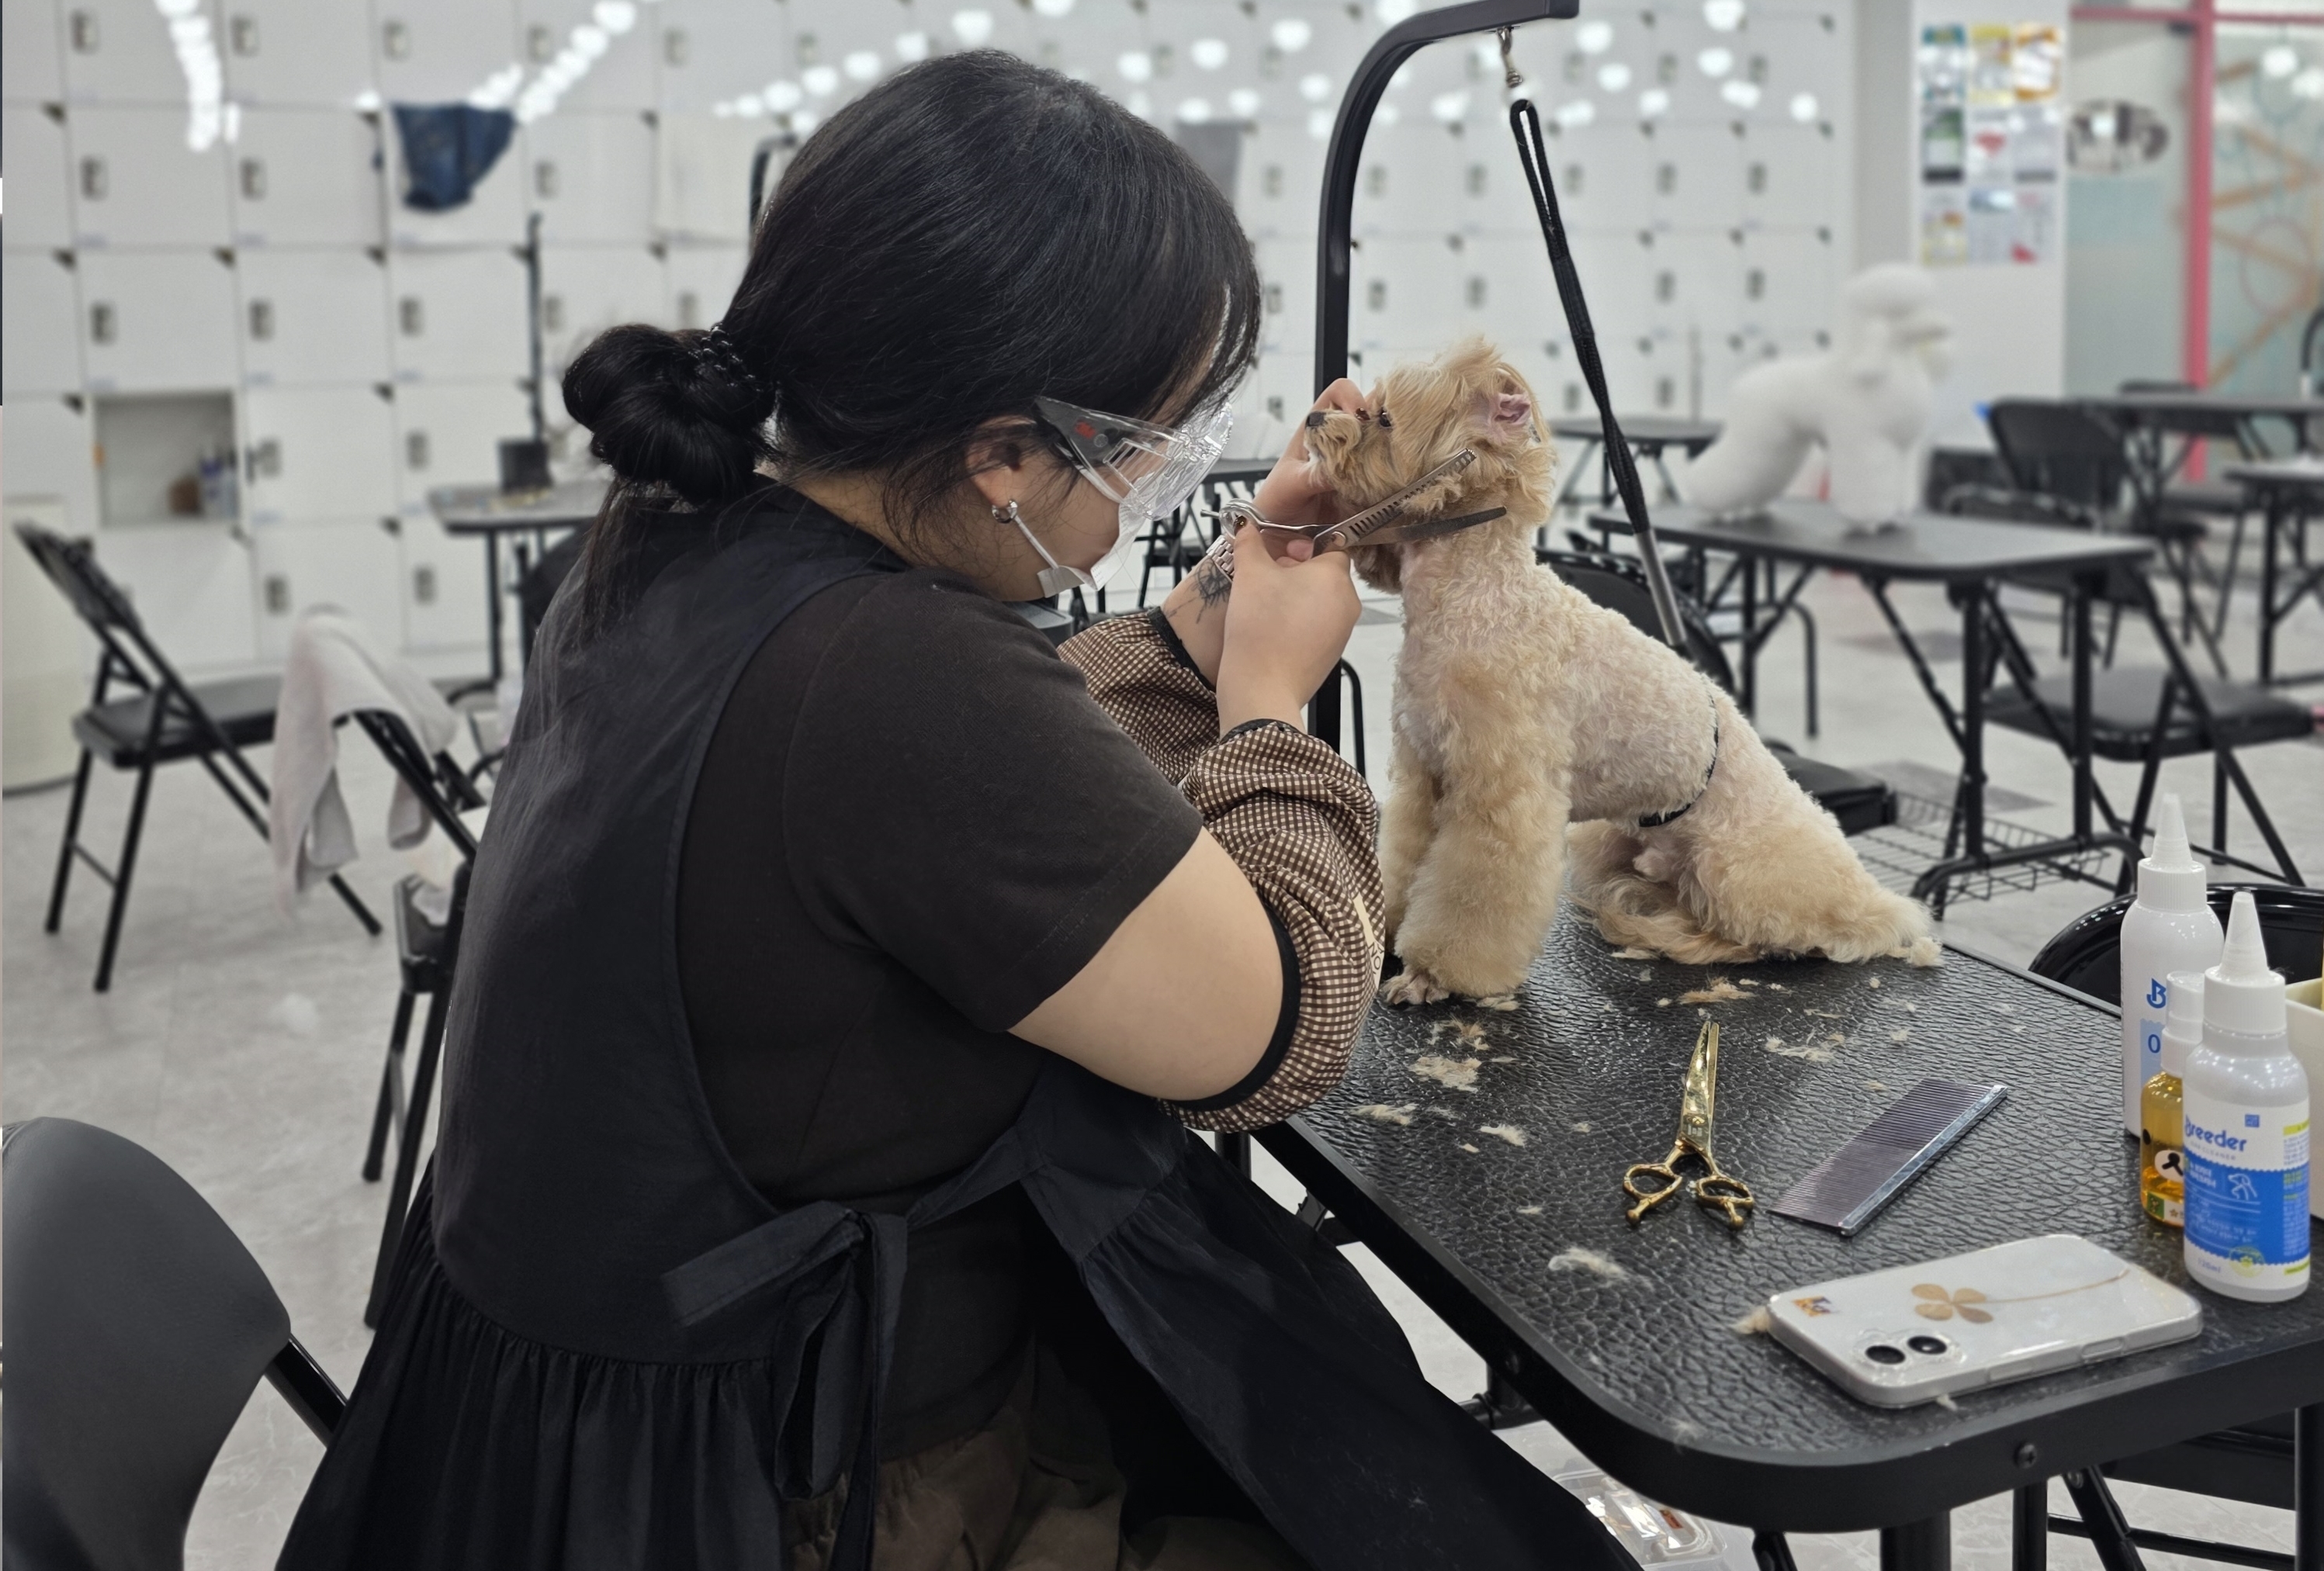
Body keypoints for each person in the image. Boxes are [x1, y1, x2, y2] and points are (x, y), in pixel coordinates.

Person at [281, 50, 1629, 1571]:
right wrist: (1265, 704)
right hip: (762, 1490)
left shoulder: (679, 541)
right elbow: (1274, 1026)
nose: (1146, 486)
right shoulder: (894, 677)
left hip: (539, 1436)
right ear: (1000, 454)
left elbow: (979, 773)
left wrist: (1196, 623)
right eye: (1140, 446)